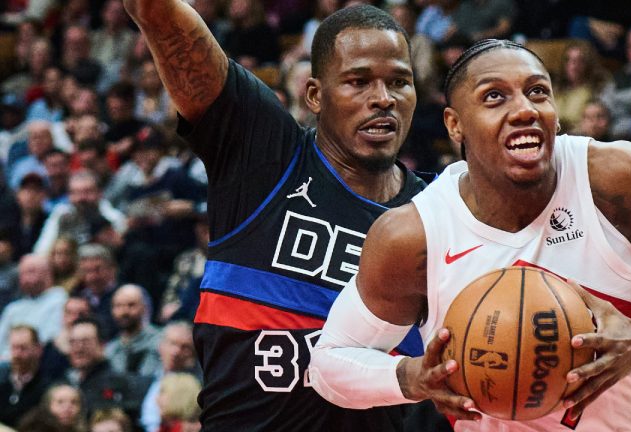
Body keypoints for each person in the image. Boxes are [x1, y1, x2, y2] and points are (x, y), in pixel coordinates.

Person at [309, 39, 631, 431]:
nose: (525, 109)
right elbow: (329, 364)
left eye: (537, 92)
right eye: (494, 97)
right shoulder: (415, 235)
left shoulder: (613, 179)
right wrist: (409, 377)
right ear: (454, 125)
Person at [123, 1, 442, 430]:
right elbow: (153, 10)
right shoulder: (264, 155)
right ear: (314, 95)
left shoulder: (438, 214)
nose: (383, 99)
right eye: (358, 81)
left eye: (399, 82)